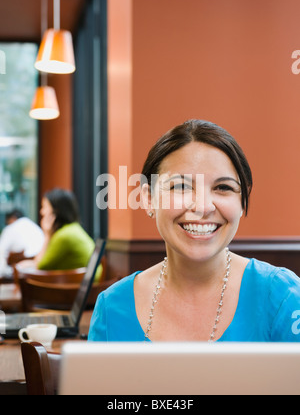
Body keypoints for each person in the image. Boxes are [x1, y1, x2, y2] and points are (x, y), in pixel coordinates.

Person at [89, 119, 300, 342]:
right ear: (149, 199)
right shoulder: (112, 307)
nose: (202, 207)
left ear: (242, 201)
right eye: (180, 186)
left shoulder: (281, 297)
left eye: (223, 188)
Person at [20, 189, 102, 281]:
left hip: (78, 291)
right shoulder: (72, 229)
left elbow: (40, 266)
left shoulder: (64, 236)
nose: (41, 212)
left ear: (56, 211)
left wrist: (47, 235)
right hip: (85, 286)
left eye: (44, 207)